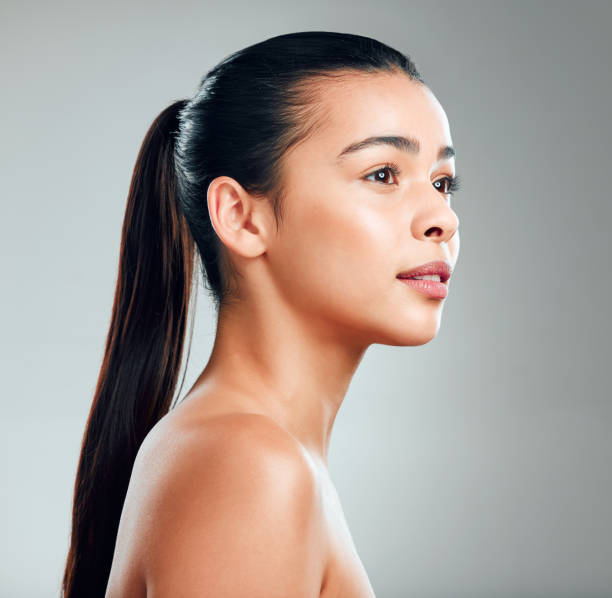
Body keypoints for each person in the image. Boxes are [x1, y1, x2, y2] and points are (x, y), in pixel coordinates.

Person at [61, 30, 461, 597]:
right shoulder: (249, 465)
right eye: (383, 174)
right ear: (242, 218)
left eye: (443, 182)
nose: (442, 217)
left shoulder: (243, 451)